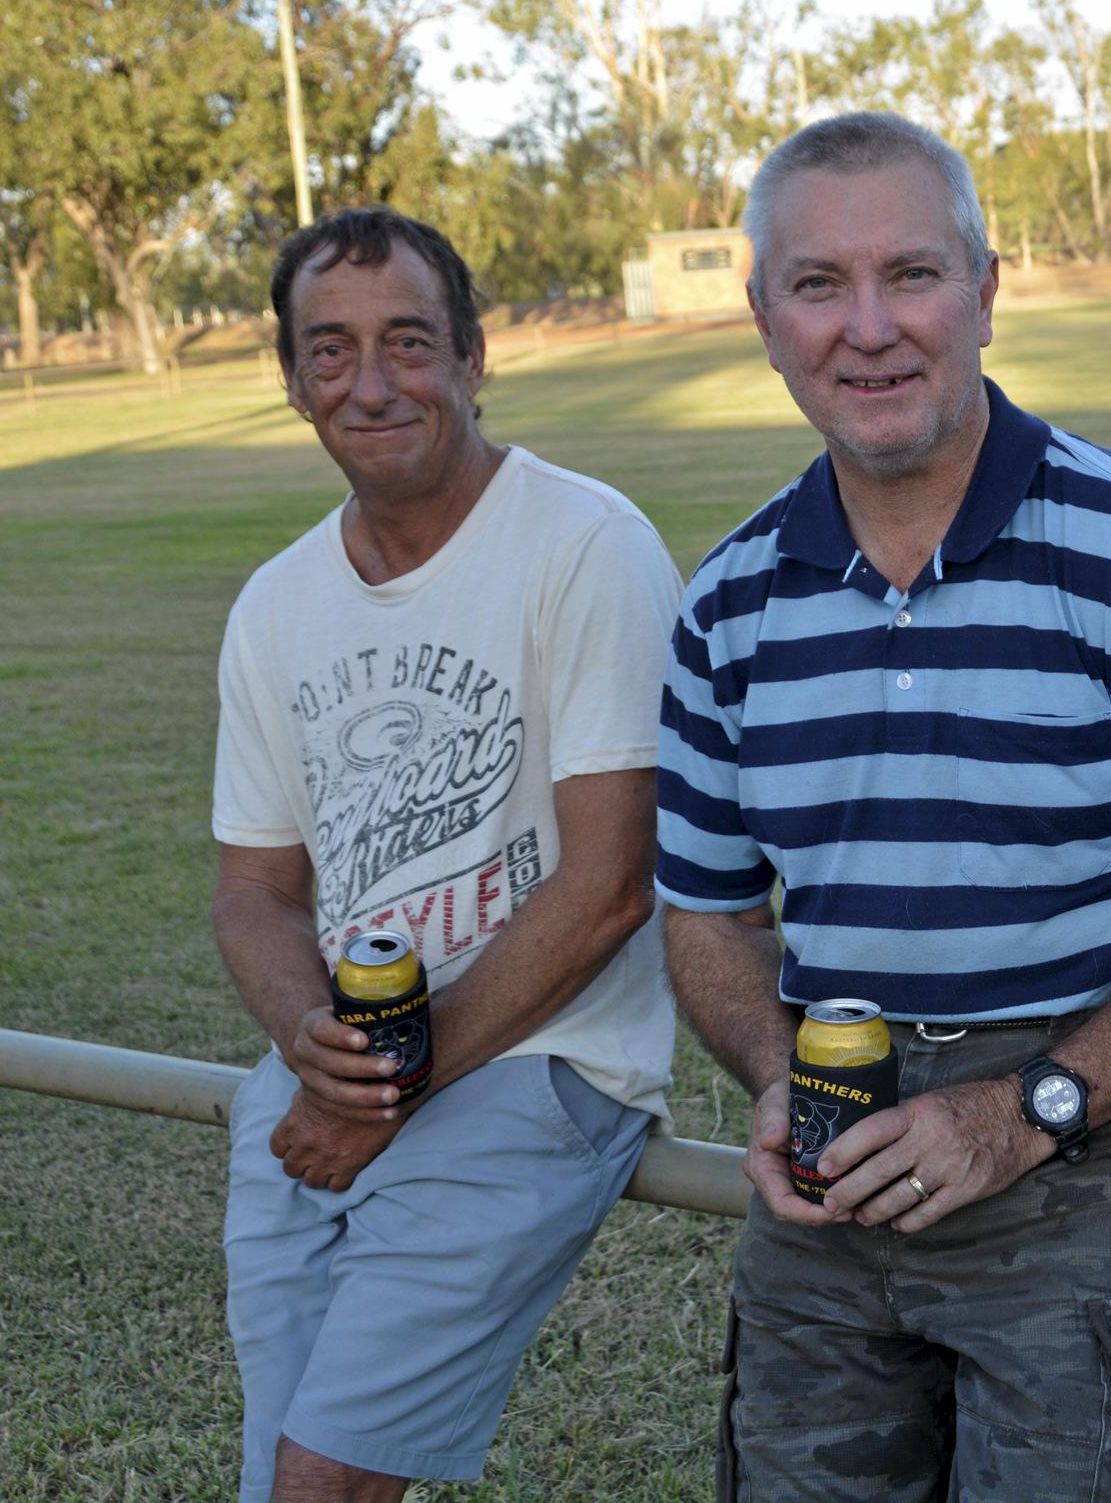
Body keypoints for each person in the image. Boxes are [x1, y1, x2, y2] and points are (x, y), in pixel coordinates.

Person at [656, 111, 1111, 1501]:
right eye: (817, 285)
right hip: (842, 1127)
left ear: (984, 289)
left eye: (910, 275)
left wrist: (1030, 1106)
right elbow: (708, 914)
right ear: (764, 318)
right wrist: (779, 1081)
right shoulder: (726, 605)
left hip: (1098, 1123)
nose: (869, 328)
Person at [210, 207, 681, 1503]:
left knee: (324, 1481)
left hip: (540, 1064)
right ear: (293, 378)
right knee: (278, 1466)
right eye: (331, 351)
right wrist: (312, 1036)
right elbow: (253, 892)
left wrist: (376, 1093)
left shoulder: (585, 548)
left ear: (475, 356)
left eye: (408, 342)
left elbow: (607, 888)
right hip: (329, 1089)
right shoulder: (275, 604)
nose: (371, 384)